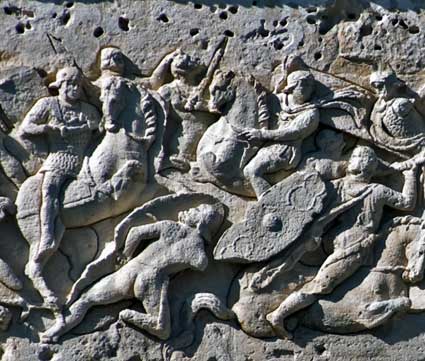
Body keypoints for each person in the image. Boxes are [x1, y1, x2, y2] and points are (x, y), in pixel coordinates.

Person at [266, 145, 419, 338]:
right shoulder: (377, 191)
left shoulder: (336, 186)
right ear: (371, 168)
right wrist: (411, 173)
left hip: (341, 239)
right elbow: (407, 203)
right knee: (320, 286)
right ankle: (279, 314)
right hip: (355, 245)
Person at [40, 203, 224, 343]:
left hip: (129, 271)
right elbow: (201, 264)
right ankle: (128, 314)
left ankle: (55, 331)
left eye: (197, 210)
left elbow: (136, 232)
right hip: (151, 280)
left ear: (200, 221)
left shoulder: (171, 227)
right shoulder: (198, 249)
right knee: (162, 329)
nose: (191, 210)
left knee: (86, 300)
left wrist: (126, 255)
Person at [17, 67, 101, 307]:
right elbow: (26, 128)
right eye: (69, 85)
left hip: (85, 161)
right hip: (58, 160)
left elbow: (98, 126)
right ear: (60, 86)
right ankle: (47, 234)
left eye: (78, 85)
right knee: (50, 193)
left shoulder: (88, 110)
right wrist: (49, 129)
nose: (74, 89)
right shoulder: (48, 105)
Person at [239, 70, 319, 198]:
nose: (310, 89)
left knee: (252, 170)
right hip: (268, 144)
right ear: (293, 86)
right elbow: (259, 104)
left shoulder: (311, 113)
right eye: (305, 85)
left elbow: (294, 133)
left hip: (286, 150)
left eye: (311, 86)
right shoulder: (280, 100)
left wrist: (262, 134)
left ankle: (268, 202)